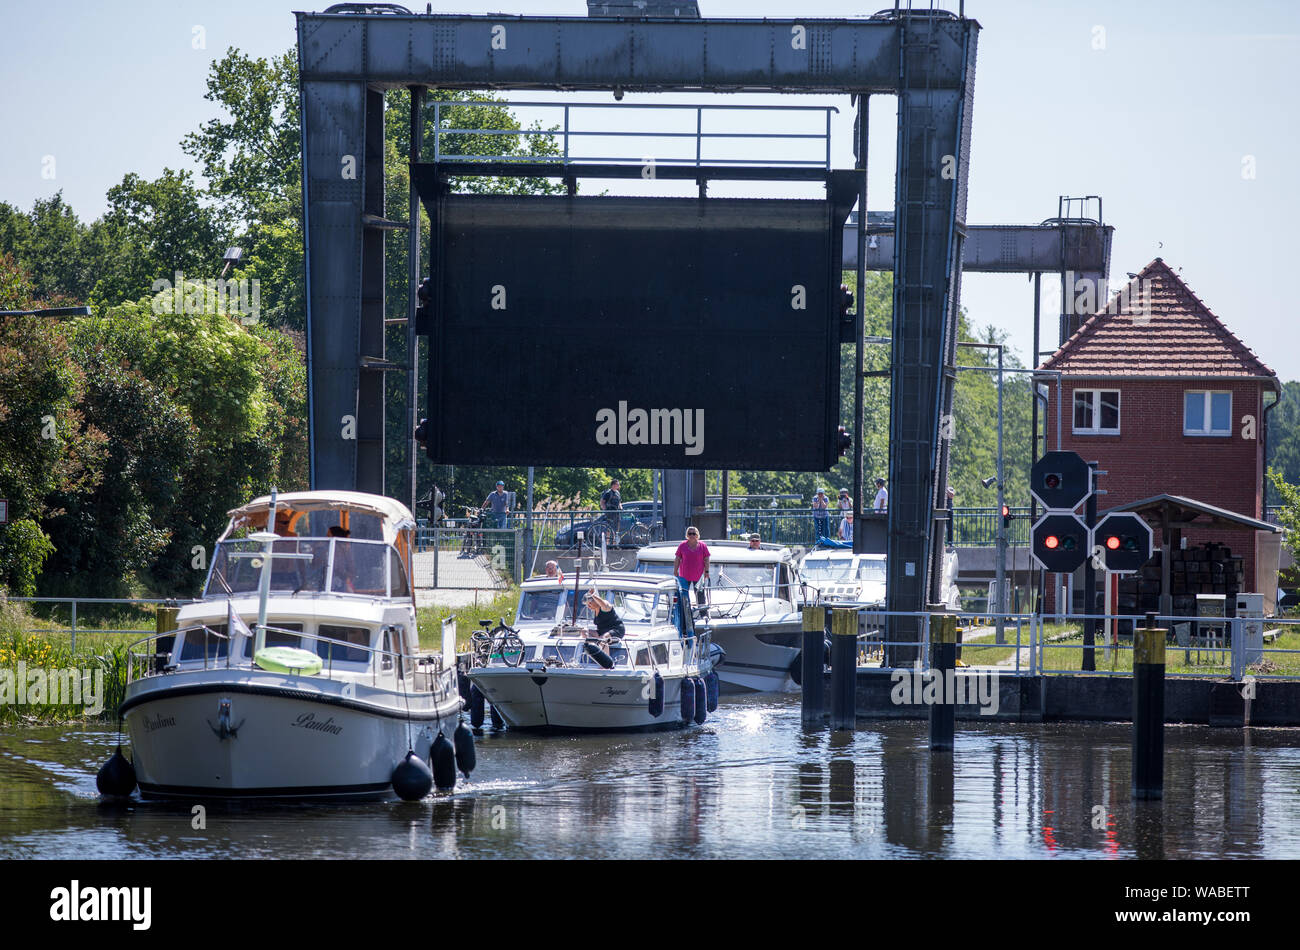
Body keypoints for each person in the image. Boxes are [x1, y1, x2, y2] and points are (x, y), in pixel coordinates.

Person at [673, 527, 710, 634]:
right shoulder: (682, 545)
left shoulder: (702, 546)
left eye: (694, 533)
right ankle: (685, 614)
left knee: (700, 595)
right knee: (684, 596)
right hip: (684, 575)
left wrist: (707, 571)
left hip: (698, 576)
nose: (692, 535)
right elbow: (677, 558)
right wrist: (675, 570)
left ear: (697, 535)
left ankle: (703, 614)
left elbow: (706, 558)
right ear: (687, 535)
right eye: (690, 533)